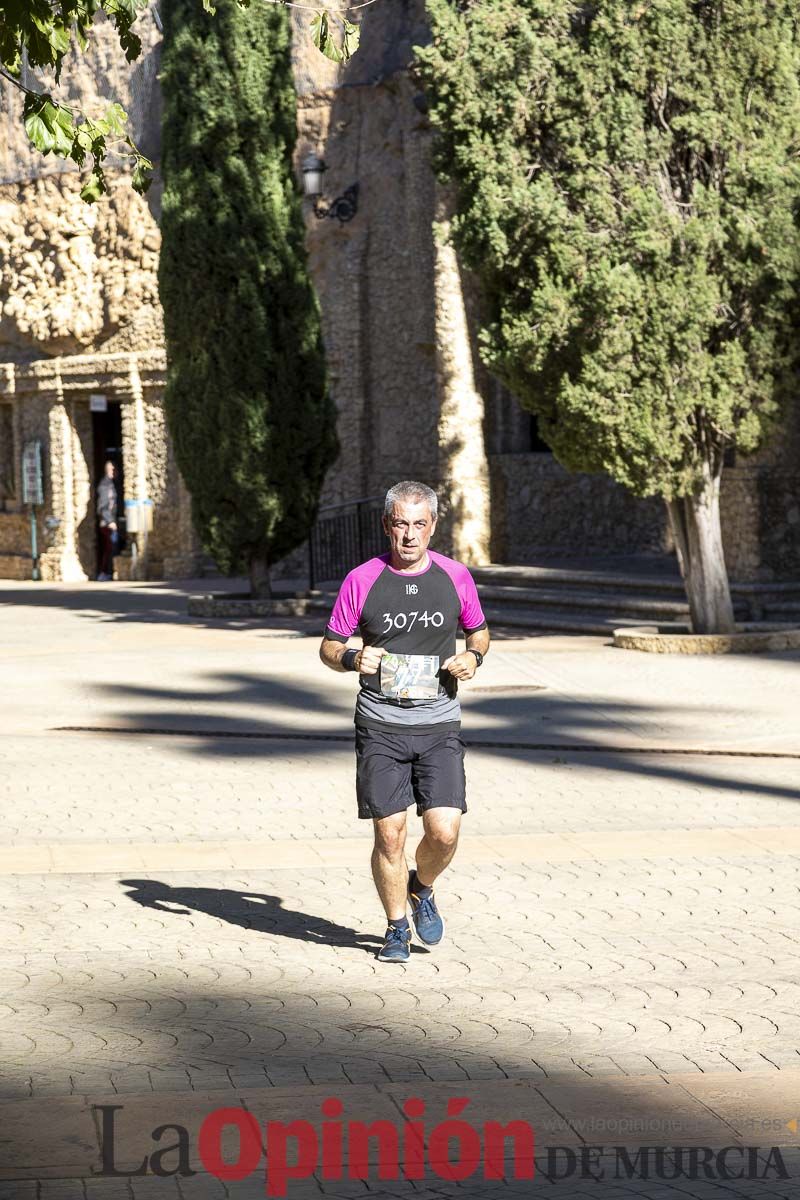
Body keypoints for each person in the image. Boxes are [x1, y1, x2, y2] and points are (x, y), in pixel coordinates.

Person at [319, 481, 490, 963]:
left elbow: (479, 633)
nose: (410, 535)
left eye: (420, 524)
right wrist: (354, 657)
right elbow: (329, 648)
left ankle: (422, 887)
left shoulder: (456, 577)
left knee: (444, 832)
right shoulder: (362, 579)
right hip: (381, 726)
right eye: (401, 524)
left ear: (434, 526)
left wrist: (473, 658)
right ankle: (395, 928)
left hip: (439, 724)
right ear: (387, 526)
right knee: (390, 833)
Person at [96, 460, 118, 581]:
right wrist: (110, 521)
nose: (114, 472)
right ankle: (104, 571)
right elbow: (103, 506)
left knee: (110, 547)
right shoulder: (105, 485)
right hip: (107, 523)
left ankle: (108, 571)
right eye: (111, 469)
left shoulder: (112, 484)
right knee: (108, 548)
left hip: (109, 522)